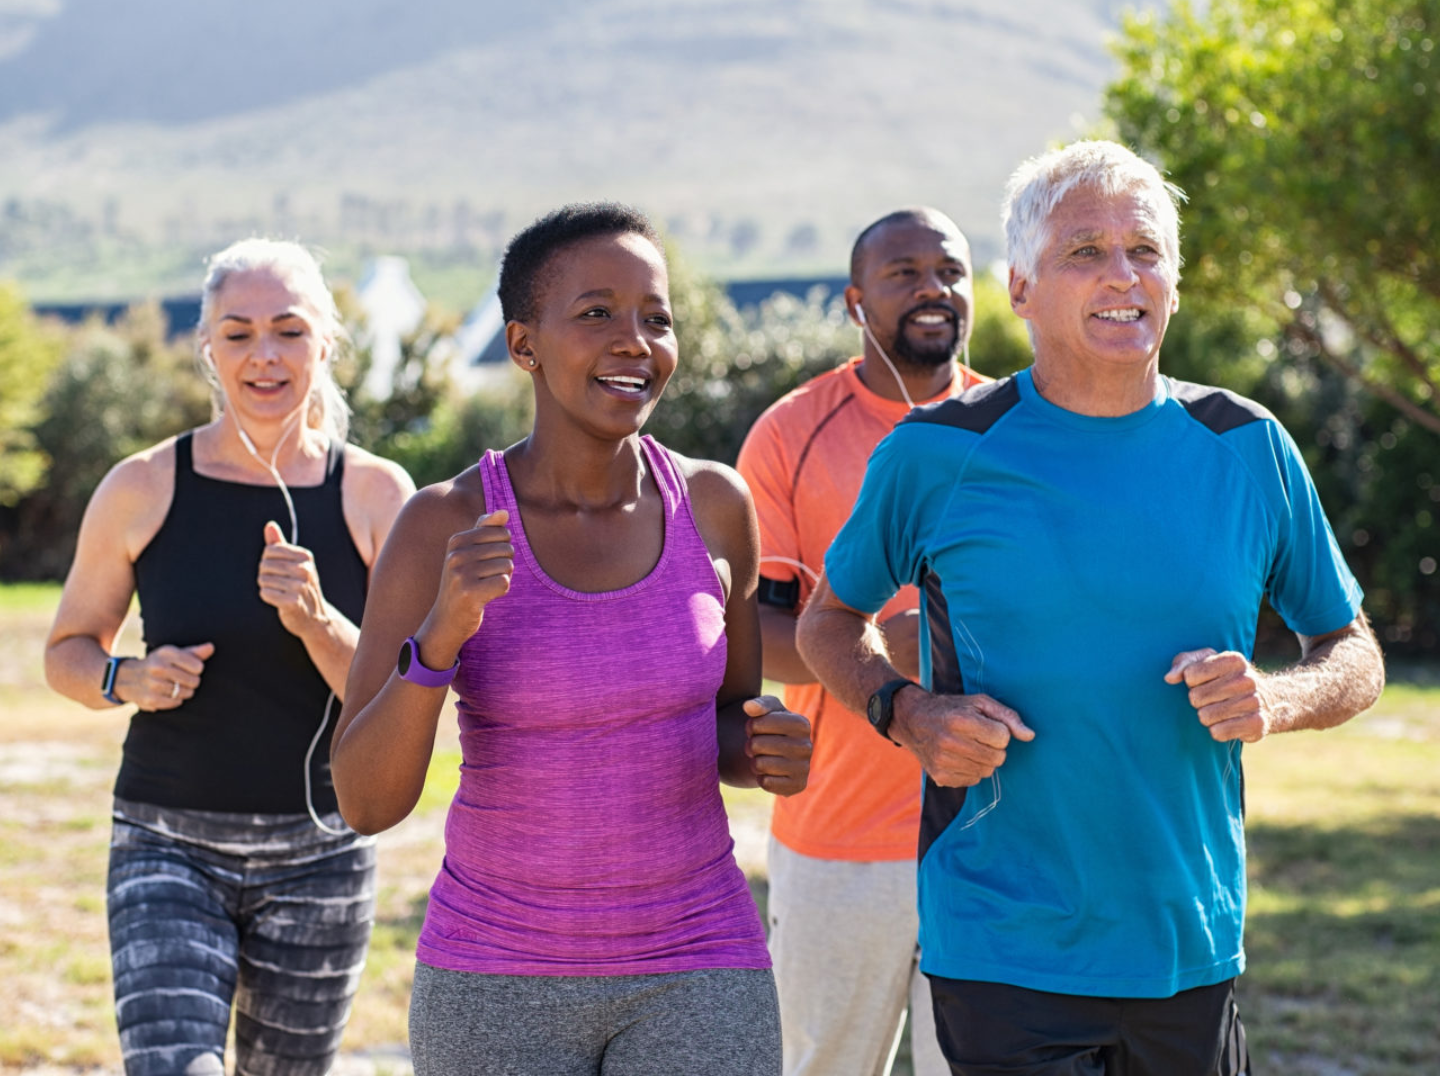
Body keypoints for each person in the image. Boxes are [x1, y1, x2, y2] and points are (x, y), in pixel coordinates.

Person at [795, 140, 1386, 1076]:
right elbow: (826, 621)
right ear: (1022, 288)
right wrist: (907, 712)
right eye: (1085, 252)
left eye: (1145, 251)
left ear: (1175, 284)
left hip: (1188, 940)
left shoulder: (1249, 446)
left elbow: (1353, 652)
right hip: (1001, 939)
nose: (1123, 276)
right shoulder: (937, 453)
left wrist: (1275, 700)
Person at [329, 202, 812, 1076]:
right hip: (497, 975)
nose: (636, 341)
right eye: (597, 314)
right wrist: (441, 635)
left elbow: (730, 729)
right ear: (524, 345)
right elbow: (366, 801)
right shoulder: (443, 522)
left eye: (655, 318)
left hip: (699, 959)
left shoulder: (715, 505)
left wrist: (768, 743)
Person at [43, 238, 415, 1075]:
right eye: (239, 333)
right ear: (208, 348)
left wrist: (318, 619)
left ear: (325, 341)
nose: (265, 355)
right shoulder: (142, 486)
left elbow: (405, 693)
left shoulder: (377, 495)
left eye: (288, 330)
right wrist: (125, 678)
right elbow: (66, 651)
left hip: (322, 851)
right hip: (165, 842)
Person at [735, 206, 982, 1076]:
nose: (933, 290)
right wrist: (887, 650)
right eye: (904, 273)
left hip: (995, 836)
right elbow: (752, 638)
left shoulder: (1018, 429)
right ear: (854, 300)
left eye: (950, 271)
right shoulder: (789, 434)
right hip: (838, 837)